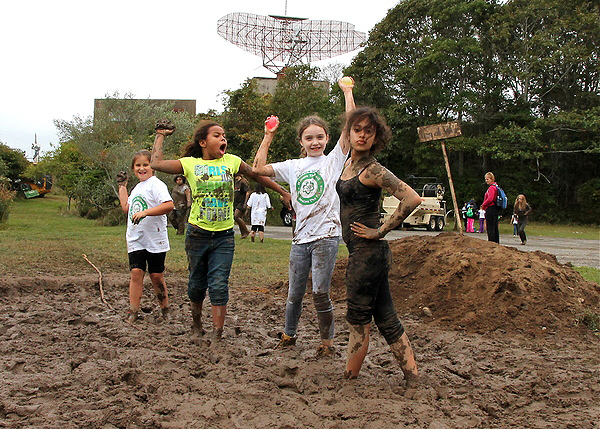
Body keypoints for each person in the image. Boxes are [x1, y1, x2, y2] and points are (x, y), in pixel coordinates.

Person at [149, 121, 291, 344]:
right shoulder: (190, 164)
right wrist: (160, 135)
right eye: (217, 135)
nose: (223, 138)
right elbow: (155, 163)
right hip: (197, 234)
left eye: (224, 135)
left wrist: (283, 192)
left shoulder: (232, 162)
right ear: (203, 142)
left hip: (224, 236)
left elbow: (256, 175)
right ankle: (196, 324)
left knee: (218, 285)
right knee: (196, 284)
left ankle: (217, 334)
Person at [252, 77, 355, 357]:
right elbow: (258, 169)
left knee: (321, 292)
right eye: (309, 138)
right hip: (300, 239)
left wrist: (347, 92)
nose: (315, 142)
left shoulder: (334, 160)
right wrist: (268, 136)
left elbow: (350, 127)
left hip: (327, 237)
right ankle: (289, 335)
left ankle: (327, 343)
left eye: (319, 137)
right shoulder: (293, 166)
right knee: (294, 294)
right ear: (301, 141)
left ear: (327, 139)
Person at [336, 105, 422, 387]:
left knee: (358, 321)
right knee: (386, 318)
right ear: (348, 134)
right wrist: (348, 93)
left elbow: (411, 198)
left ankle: (350, 379)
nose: (362, 135)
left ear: (376, 137)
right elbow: (350, 115)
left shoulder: (373, 169)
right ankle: (413, 379)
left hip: (367, 256)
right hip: (365, 255)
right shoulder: (350, 163)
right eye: (356, 130)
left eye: (368, 132)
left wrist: (380, 230)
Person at [117, 150, 175, 323]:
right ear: (133, 168)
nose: (142, 168)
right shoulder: (137, 187)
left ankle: (165, 309)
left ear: (153, 167)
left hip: (154, 238)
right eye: (138, 165)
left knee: (156, 276)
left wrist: (146, 213)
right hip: (135, 238)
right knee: (136, 272)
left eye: (145, 165)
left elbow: (169, 205)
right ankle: (133, 311)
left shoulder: (156, 185)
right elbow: (126, 208)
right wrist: (122, 186)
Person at [480, 172, 501, 243]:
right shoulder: (496, 186)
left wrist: (483, 205)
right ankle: (496, 242)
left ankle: (491, 242)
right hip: (495, 208)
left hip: (491, 208)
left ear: (492, 179)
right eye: (485, 179)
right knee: (494, 226)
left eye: (487, 179)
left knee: (490, 227)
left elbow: (490, 198)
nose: (486, 181)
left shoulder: (492, 188)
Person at [234, 174, 251, 238]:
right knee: (238, 218)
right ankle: (243, 233)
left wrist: (245, 203)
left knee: (236, 216)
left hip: (242, 202)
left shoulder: (242, 182)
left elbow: (248, 192)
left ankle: (246, 231)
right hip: (237, 202)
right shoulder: (236, 183)